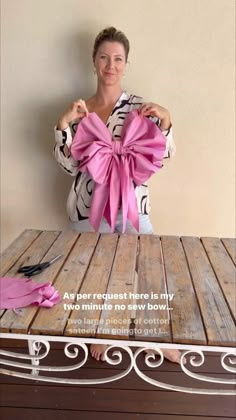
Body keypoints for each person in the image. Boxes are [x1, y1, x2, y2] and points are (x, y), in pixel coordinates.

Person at [54, 27, 181, 364]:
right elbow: (70, 166)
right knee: (96, 269)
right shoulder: (82, 110)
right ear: (94, 62)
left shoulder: (140, 107)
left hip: (131, 202)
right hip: (88, 205)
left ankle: (157, 335)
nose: (110, 65)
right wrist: (63, 127)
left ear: (126, 64)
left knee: (150, 265)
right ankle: (104, 329)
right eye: (104, 58)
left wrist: (166, 123)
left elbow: (159, 158)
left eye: (118, 59)